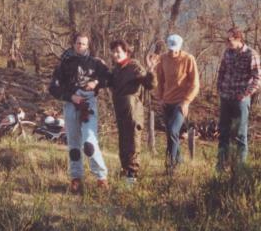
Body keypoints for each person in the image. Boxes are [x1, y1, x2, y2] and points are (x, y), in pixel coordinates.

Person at [49, 32, 109, 193]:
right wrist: (70, 96)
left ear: (87, 45)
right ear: (73, 44)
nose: (80, 46)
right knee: (74, 145)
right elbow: (53, 88)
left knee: (89, 143)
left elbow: (109, 77)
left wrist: (96, 82)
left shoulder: (96, 63)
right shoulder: (64, 63)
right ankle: (76, 178)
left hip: (88, 104)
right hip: (71, 104)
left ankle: (101, 178)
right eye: (77, 43)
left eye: (83, 44)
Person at [108, 39, 158, 185]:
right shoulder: (116, 69)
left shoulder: (134, 66)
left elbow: (150, 84)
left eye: (118, 51)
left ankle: (132, 175)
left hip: (133, 111)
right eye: (114, 52)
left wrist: (151, 70)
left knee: (133, 142)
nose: (115, 54)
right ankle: (125, 171)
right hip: (120, 110)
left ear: (126, 52)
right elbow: (107, 82)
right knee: (123, 141)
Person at [216, 27, 261, 170]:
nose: (227, 43)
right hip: (226, 97)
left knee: (240, 134)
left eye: (229, 40)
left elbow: (257, 77)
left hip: (241, 99)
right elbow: (221, 71)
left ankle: (240, 168)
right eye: (226, 40)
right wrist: (220, 89)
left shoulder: (251, 54)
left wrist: (246, 94)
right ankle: (221, 165)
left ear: (238, 39)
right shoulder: (227, 53)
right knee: (223, 132)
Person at [156, 34, 200, 174]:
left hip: (180, 103)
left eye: (175, 49)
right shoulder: (163, 58)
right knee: (170, 133)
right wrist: (160, 98)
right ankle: (179, 159)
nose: (173, 51)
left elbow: (195, 84)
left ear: (180, 47)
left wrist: (186, 102)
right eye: (171, 49)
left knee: (174, 131)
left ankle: (170, 166)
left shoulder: (188, 59)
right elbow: (158, 80)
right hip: (167, 102)